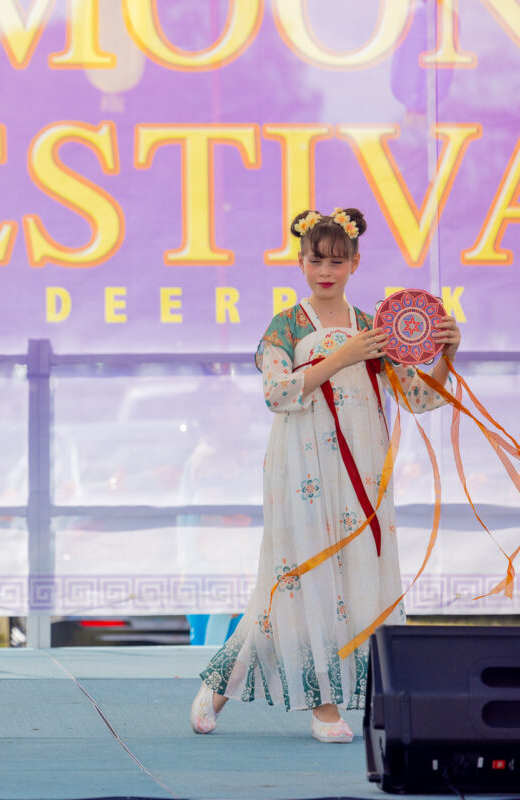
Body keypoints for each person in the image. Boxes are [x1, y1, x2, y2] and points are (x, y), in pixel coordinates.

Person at [190, 208, 460, 743]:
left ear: (355, 264)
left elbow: (420, 398)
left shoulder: (374, 328)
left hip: (362, 467)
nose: (326, 270)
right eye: (316, 260)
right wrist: (342, 357)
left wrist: (447, 352)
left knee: (353, 578)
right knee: (302, 577)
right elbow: (277, 393)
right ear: (301, 261)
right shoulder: (286, 325)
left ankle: (219, 684)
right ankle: (324, 706)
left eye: (338, 261)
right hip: (302, 468)